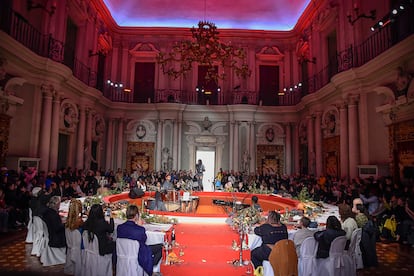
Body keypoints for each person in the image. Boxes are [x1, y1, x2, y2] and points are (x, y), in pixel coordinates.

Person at [117, 205, 163, 276]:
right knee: (161, 247)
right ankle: (150, 269)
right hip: (138, 254)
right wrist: (139, 225)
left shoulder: (119, 228)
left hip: (124, 254)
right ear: (136, 216)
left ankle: (149, 269)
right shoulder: (140, 230)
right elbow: (144, 240)